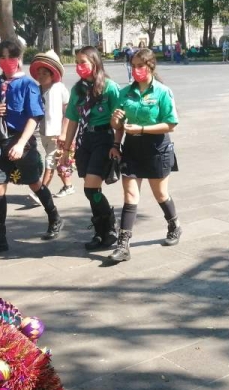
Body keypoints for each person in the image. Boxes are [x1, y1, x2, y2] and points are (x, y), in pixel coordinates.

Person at [0, 39, 63, 257]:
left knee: (34, 183)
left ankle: (54, 216)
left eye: (11, 57)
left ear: (19, 59)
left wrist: (22, 144)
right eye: (2, 57)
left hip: (21, 142)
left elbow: (34, 116)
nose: (7, 62)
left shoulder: (28, 85)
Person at [108, 48, 180, 263]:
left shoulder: (162, 92)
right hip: (131, 149)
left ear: (150, 66)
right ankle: (123, 245)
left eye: (140, 66)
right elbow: (117, 125)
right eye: (133, 66)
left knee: (160, 195)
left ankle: (174, 224)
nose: (136, 70)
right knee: (130, 197)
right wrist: (116, 124)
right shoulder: (125, 93)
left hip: (157, 149)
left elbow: (171, 124)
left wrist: (141, 129)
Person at [59, 46, 121, 250]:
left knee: (91, 188)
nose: (78, 67)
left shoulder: (110, 87)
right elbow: (73, 121)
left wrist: (116, 144)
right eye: (76, 63)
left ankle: (110, 228)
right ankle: (100, 232)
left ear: (95, 63)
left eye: (82, 62)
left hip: (103, 138)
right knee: (91, 190)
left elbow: (119, 119)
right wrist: (66, 150)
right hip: (85, 140)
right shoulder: (78, 90)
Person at [29, 50, 74, 198]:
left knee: (50, 161)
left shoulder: (59, 88)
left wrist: (64, 132)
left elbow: (68, 110)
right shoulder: (37, 90)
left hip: (57, 133)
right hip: (44, 132)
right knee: (57, 161)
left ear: (52, 74)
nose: (41, 76)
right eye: (39, 73)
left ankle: (41, 192)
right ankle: (68, 186)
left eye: (45, 73)